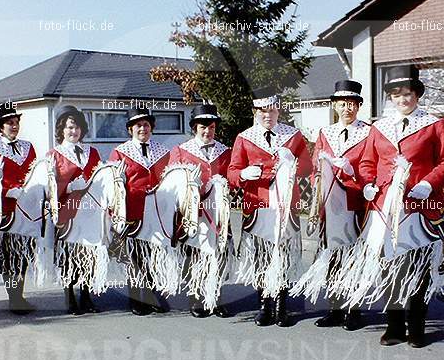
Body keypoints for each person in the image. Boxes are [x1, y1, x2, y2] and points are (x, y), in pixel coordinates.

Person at [355, 65, 444, 348]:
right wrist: (367, 183)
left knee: (418, 267)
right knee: (390, 267)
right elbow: (367, 162)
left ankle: (417, 326)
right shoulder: (378, 128)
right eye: (397, 94)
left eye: (408, 93)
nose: (403, 99)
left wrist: (428, 183)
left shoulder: (435, 124)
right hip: (385, 209)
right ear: (390, 98)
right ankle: (394, 326)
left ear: (417, 95)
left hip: (420, 206)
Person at [227, 88, 313, 327]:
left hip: (286, 206)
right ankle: (265, 305)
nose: (268, 115)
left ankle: (282, 305)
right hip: (258, 205)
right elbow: (232, 173)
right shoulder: (244, 137)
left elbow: (307, 168)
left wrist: (292, 163)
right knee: (262, 258)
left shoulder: (293, 136)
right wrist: (243, 174)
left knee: (283, 256)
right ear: (256, 112)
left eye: (272, 110)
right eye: (263, 111)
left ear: (278, 111)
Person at [303, 80, 370, 331]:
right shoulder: (325, 133)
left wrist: (354, 173)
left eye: (352, 104)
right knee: (331, 256)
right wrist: (319, 179)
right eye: (342, 104)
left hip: (355, 203)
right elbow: (314, 169)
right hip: (330, 207)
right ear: (335, 106)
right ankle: (334, 307)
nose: (347, 109)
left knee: (352, 257)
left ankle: (353, 309)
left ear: (359, 106)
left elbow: (373, 167)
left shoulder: (368, 132)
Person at [168, 103, 232, 318]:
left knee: (219, 255)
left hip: (218, 214)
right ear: (194, 127)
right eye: (203, 127)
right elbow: (172, 183)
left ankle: (217, 297)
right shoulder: (180, 151)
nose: (207, 131)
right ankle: (196, 298)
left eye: (211, 127)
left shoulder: (225, 152)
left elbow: (231, 179)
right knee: (196, 255)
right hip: (194, 214)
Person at [108, 108, 170, 315]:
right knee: (134, 256)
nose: (143, 129)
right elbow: (113, 185)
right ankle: (136, 296)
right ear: (130, 129)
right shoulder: (120, 152)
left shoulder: (163, 151)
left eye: (146, 125)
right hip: (132, 212)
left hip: (156, 214)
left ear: (151, 127)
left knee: (153, 254)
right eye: (138, 125)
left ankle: (152, 294)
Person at [0, 103, 36, 314]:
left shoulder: (28, 147)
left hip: (27, 208)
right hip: (5, 209)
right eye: (9, 123)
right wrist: (8, 190)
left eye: (16, 123)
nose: (14, 126)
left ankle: (19, 295)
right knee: (9, 254)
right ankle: (14, 298)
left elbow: (32, 172)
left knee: (23, 253)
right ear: (0, 127)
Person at [50, 105, 102, 314]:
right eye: (70, 127)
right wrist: (68, 187)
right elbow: (50, 186)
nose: (74, 131)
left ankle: (87, 295)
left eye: (77, 127)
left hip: (89, 212)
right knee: (69, 254)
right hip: (67, 210)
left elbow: (99, 180)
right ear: (62, 129)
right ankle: (70, 296)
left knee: (88, 254)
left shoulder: (93, 152)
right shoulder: (54, 154)